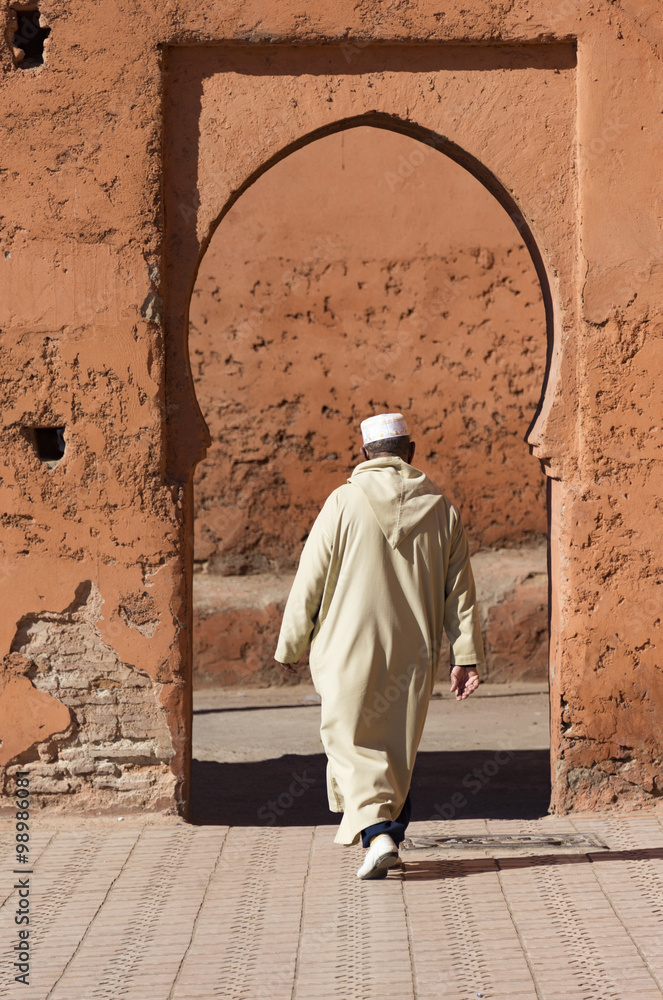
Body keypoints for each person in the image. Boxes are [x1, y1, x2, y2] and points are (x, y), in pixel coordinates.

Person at [274, 412, 483, 879]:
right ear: (410, 451)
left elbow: (309, 579)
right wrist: (464, 654)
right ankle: (384, 834)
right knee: (394, 744)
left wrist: (291, 645)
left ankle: (378, 835)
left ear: (366, 454)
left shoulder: (343, 503)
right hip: (415, 652)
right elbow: (461, 593)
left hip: (348, 647)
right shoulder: (441, 509)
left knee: (350, 741)